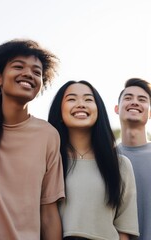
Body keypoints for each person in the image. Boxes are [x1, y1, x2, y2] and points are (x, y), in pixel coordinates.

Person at [0, 39, 65, 240]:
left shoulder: (47, 135)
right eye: (18, 66)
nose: (28, 74)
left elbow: (49, 214)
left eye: (37, 72)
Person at [48, 80, 139, 240]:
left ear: (99, 110)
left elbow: (125, 228)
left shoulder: (120, 164)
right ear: (59, 111)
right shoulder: (50, 161)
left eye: (88, 99)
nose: (81, 104)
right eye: (71, 99)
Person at [114, 78, 151, 240]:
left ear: (150, 113)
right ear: (117, 108)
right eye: (128, 98)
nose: (135, 102)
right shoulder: (106, 159)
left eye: (142, 99)